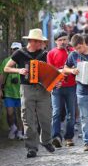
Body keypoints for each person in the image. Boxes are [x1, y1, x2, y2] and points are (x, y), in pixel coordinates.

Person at [4, 29, 55, 158]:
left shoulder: (45, 54)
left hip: (43, 89)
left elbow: (52, 71)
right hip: (26, 88)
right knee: (28, 119)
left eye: (41, 42)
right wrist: (19, 70)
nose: (41, 44)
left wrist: (54, 82)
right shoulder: (19, 53)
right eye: (38, 42)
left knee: (46, 118)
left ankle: (46, 141)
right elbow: (6, 68)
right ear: (31, 41)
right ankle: (31, 148)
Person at [47, 31, 76, 147]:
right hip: (57, 87)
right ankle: (56, 137)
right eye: (60, 40)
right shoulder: (51, 53)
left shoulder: (73, 52)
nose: (63, 42)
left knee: (71, 114)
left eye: (65, 39)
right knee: (56, 113)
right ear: (55, 41)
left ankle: (69, 137)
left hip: (71, 86)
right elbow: (50, 70)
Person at [0, 42, 23, 140]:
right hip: (9, 91)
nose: (15, 51)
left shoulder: (23, 60)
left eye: (17, 49)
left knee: (21, 114)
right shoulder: (6, 61)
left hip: (21, 92)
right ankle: (13, 127)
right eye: (14, 49)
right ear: (11, 50)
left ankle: (20, 132)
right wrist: (0, 89)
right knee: (10, 113)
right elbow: (1, 76)